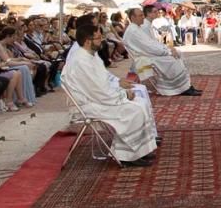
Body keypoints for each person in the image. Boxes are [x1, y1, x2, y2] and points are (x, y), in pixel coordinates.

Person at [62, 23, 157, 167]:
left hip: (97, 98)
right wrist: (123, 95)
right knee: (134, 110)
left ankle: (136, 152)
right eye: (98, 38)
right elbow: (97, 91)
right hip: (87, 104)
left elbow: (103, 82)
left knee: (140, 103)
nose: (102, 41)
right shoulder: (81, 61)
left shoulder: (90, 56)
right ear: (88, 41)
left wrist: (121, 91)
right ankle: (127, 156)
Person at [123, 7, 200, 95]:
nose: (143, 17)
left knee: (176, 55)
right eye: (140, 15)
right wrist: (168, 51)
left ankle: (185, 87)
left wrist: (167, 49)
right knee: (173, 59)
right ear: (133, 18)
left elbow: (152, 43)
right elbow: (149, 47)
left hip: (147, 54)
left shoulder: (136, 28)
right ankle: (180, 88)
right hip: (144, 57)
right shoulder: (134, 31)